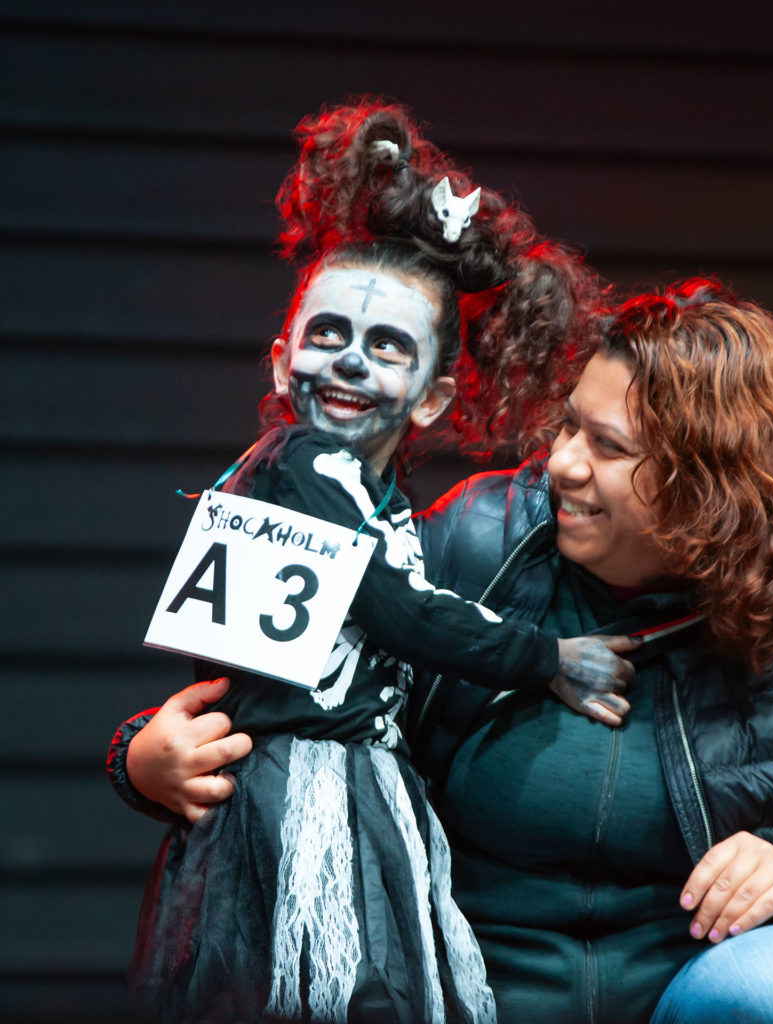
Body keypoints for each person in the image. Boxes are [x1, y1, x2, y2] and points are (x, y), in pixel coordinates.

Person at [112, 274, 773, 1024]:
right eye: (570, 426)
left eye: (607, 447)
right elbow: (285, 691)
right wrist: (141, 759)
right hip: (463, 995)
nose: (562, 464)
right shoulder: (475, 543)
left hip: (685, 997)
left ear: (709, 484)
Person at [121, 100, 639, 1024]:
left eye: (387, 346)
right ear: (281, 362)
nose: (351, 363)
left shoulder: (375, 498)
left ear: (432, 396)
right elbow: (404, 614)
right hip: (299, 794)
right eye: (327, 336)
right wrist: (547, 658)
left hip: (337, 783)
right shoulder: (304, 463)